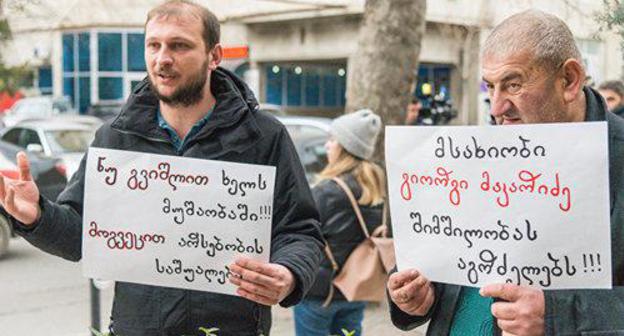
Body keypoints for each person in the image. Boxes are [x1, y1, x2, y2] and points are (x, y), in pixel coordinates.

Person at [0, 1, 323, 335]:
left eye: (179, 45)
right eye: (154, 45)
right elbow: (80, 237)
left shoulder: (263, 135)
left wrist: (289, 273)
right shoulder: (115, 137)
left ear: (214, 56)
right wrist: (36, 216)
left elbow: (300, 229)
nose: (162, 58)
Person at [387, 10, 624, 335]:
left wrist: (558, 316)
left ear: (569, 80)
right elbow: (442, 255)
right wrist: (419, 295)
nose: (496, 108)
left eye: (513, 85)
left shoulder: (618, 158)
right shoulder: (475, 153)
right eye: (490, 87)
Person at [294, 109, 386, 336]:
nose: (327, 145)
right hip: (356, 288)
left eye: (333, 140)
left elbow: (302, 234)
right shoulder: (376, 188)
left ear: (347, 148)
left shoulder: (327, 191)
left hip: (319, 294)